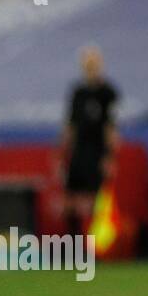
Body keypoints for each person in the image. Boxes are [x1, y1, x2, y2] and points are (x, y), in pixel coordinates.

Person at [59, 45, 119, 238]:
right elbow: (70, 126)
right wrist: (61, 154)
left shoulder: (107, 93)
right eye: (87, 64)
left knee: (95, 200)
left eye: (94, 63)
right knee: (70, 199)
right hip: (79, 150)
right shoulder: (78, 93)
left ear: (100, 65)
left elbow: (110, 128)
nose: (90, 67)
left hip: (97, 151)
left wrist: (110, 156)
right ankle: (72, 245)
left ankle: (93, 246)